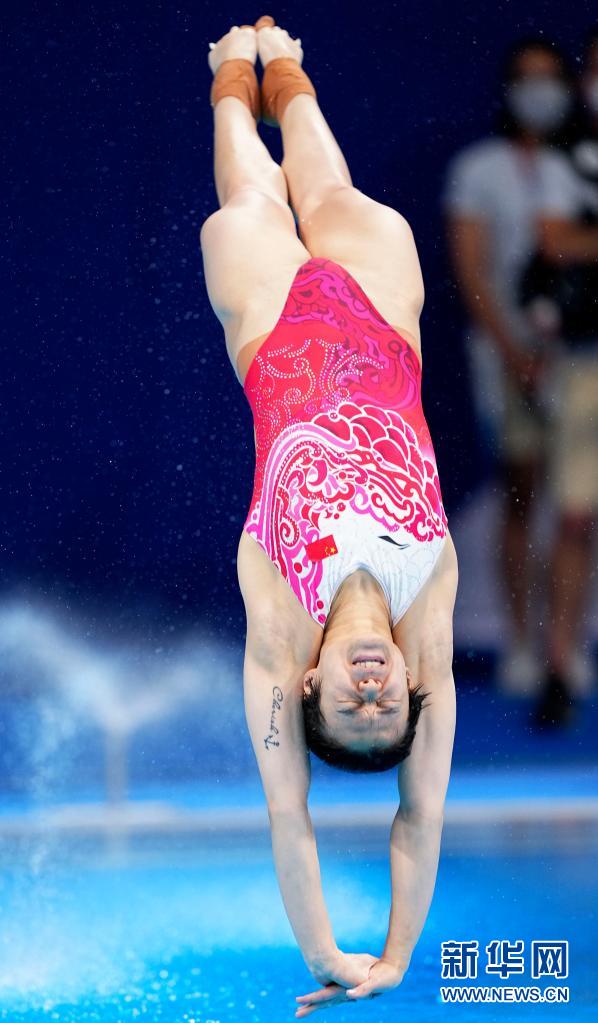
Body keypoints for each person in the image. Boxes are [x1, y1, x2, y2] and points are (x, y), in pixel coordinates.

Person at [200, 15, 458, 1013]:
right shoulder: (426, 621)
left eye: (346, 712)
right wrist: (395, 955)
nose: (368, 696)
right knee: (337, 195)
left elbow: (288, 816)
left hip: (271, 333)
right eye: (384, 709)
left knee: (254, 202)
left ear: (306, 686)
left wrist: (326, 957)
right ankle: (289, 71)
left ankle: (229, 74)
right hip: (386, 326)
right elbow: (420, 815)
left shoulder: (280, 628)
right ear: (404, 688)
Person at [442, 36, 583, 700]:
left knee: (578, 506)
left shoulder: (573, 168)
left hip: (575, 356)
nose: (541, 92)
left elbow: (564, 249)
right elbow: (473, 275)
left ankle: (566, 645)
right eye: (527, 79)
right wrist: (514, 350)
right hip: (508, 355)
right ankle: (520, 645)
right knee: (522, 496)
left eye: (551, 78)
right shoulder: (479, 169)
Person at [527, 24, 598, 725]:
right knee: (574, 518)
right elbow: (556, 242)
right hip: (584, 362)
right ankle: (557, 665)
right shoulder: (561, 161)